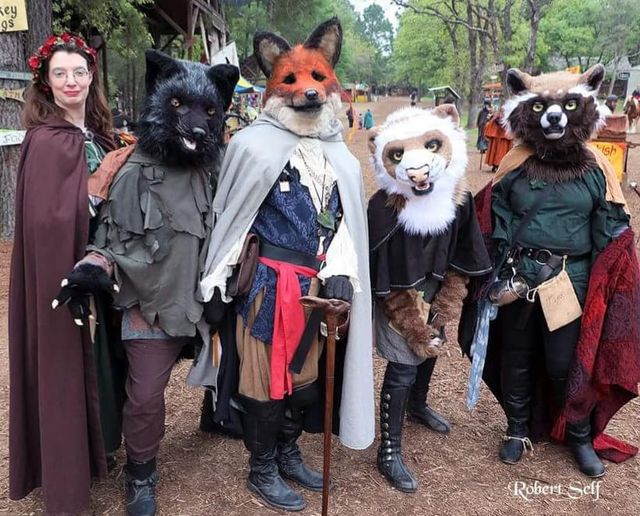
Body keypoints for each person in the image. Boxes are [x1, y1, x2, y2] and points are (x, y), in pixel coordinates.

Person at [194, 18, 374, 512]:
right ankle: (262, 467)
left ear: (331, 82)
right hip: (266, 288)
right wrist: (215, 282)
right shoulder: (251, 146)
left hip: (316, 289)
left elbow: (341, 223)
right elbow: (233, 219)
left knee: (303, 379)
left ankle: (289, 452)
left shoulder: (340, 155)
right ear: (274, 85)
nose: (307, 91)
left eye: (317, 79)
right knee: (263, 381)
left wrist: (342, 269)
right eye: (292, 80)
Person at [461, 65, 640, 480]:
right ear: (526, 112)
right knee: (517, 357)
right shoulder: (515, 166)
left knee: (566, 363)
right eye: (542, 106)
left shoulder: (597, 169)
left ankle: (578, 433)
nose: (554, 115)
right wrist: (495, 277)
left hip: (569, 281)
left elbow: (610, 231)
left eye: (567, 106)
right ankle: (517, 429)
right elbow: (492, 221)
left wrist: (610, 280)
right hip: (521, 279)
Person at [9, 33, 124, 515]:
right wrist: (94, 190)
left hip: (107, 271)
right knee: (65, 363)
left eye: (78, 72)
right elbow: (44, 221)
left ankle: (97, 451)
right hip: (64, 273)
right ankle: (66, 471)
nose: (71, 81)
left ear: (91, 76)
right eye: (60, 73)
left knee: (102, 362)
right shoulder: (45, 142)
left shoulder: (98, 137)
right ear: (45, 82)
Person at [483, 108, 513, 172]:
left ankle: (499, 165)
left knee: (501, 152)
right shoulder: (496, 117)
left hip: (503, 138)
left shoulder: (508, 117)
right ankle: (496, 165)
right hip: (498, 137)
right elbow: (489, 124)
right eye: (501, 110)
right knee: (496, 151)